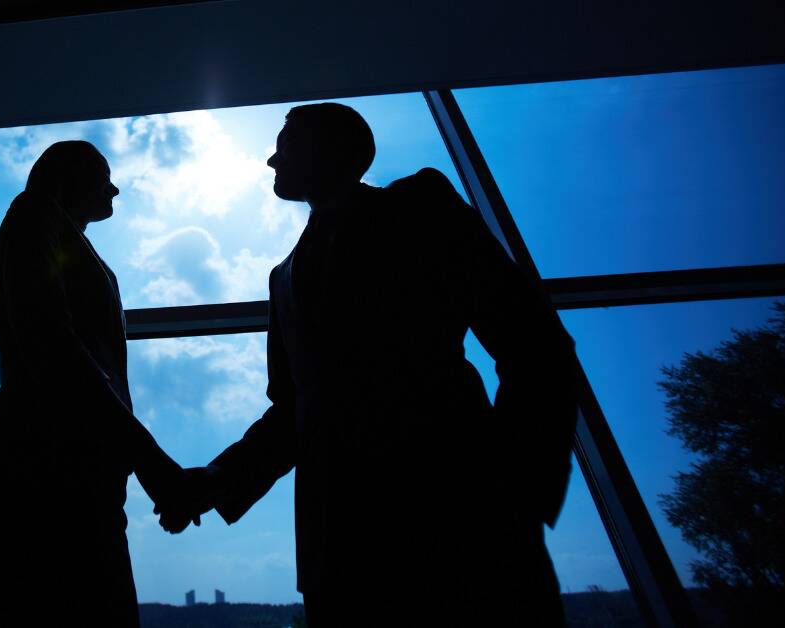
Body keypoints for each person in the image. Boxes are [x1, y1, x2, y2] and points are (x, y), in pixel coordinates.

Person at [158, 104, 580, 625]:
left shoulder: (421, 208)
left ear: (333, 148)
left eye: (285, 144)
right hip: (342, 551)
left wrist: (514, 493)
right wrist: (218, 478)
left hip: (461, 523)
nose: (271, 160)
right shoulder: (282, 278)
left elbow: (534, 344)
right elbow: (296, 412)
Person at [0, 140, 193, 627]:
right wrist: (150, 460)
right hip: (46, 465)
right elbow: (54, 346)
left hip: (64, 462)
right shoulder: (36, 216)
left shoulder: (51, 229)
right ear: (65, 178)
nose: (113, 188)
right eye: (100, 175)